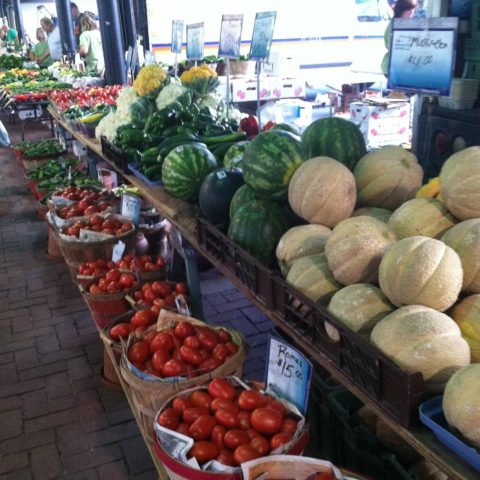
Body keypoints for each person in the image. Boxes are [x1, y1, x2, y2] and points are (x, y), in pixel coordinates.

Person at [381, 0, 418, 76]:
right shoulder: (397, 26)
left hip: (393, 66)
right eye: (410, 10)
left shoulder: (396, 23)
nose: (412, 13)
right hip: (394, 67)